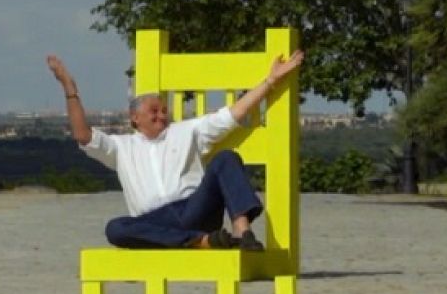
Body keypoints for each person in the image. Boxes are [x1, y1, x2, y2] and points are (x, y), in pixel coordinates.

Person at [46, 48, 305, 251]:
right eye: (154, 111)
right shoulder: (120, 147)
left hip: (194, 208)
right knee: (115, 228)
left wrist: (270, 81)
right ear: (135, 117)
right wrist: (70, 90)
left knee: (226, 158)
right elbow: (83, 135)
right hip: (154, 221)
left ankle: (242, 231)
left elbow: (233, 114)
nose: (161, 115)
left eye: (164, 111)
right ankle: (200, 242)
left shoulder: (186, 131)